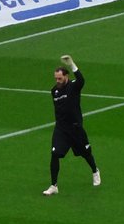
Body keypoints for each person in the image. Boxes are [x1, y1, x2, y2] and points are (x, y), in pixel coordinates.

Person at [43, 53, 100, 196]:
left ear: (66, 76)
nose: (57, 81)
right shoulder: (54, 91)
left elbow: (81, 80)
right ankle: (54, 185)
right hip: (61, 129)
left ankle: (95, 171)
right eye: (56, 78)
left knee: (86, 153)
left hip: (75, 128)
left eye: (60, 78)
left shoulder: (74, 86)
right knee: (55, 153)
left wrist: (71, 64)